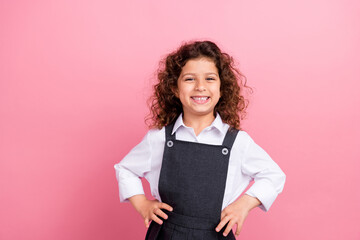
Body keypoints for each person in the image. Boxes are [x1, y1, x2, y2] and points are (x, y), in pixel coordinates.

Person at [114, 40, 286, 239]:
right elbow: (125, 169)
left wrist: (244, 204)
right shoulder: (159, 138)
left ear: (222, 88)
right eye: (189, 79)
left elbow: (274, 176)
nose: (200, 87)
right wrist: (142, 204)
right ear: (174, 89)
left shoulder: (237, 142)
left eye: (210, 78)